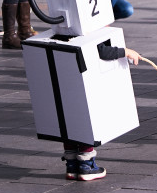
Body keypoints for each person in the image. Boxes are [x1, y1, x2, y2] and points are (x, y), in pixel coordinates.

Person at [60, 41, 140, 181]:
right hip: (84, 81)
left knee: (71, 122)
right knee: (86, 122)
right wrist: (126, 52)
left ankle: (71, 164)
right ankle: (86, 165)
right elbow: (101, 51)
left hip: (65, 82)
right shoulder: (87, 30)